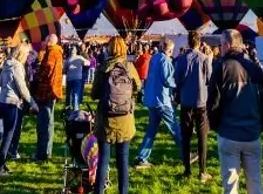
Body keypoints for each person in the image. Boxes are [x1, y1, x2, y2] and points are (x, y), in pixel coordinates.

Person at [207, 29, 263, 194]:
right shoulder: (255, 69)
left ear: (227, 45)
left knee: (230, 185)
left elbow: (213, 103)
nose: (219, 49)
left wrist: (216, 126)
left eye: (221, 45)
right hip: (252, 134)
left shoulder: (221, 68)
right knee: (255, 181)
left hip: (229, 134)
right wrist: (261, 126)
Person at [93, 36, 141, 194]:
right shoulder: (129, 67)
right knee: (123, 161)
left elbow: (94, 93)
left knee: (103, 161)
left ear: (109, 49)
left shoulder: (103, 67)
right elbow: (138, 86)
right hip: (125, 120)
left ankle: (99, 191)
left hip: (106, 120)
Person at [136, 39, 181, 167]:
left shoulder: (154, 58)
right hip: (162, 100)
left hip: (152, 99)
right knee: (174, 127)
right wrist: (177, 83)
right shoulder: (165, 61)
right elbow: (167, 80)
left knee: (151, 130)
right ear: (171, 50)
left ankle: (142, 157)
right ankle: (186, 153)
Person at [174, 30, 212, 182]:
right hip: (201, 101)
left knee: (186, 136)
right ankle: (202, 171)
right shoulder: (203, 59)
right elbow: (209, 78)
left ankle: (187, 170)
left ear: (188, 42)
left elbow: (176, 80)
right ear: (199, 42)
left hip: (186, 102)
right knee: (202, 137)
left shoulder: (181, 60)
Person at [0, 43, 37, 175]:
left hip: (2, 101)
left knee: (7, 134)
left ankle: (3, 163)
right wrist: (33, 103)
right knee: (9, 136)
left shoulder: (7, 64)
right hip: (12, 103)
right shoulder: (18, 66)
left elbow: (0, 82)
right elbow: (22, 88)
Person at [32, 34, 65, 162]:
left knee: (43, 124)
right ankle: (47, 151)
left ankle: (41, 154)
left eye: (46, 40)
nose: (44, 42)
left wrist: (37, 76)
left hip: (46, 92)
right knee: (49, 124)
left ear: (50, 42)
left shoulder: (51, 53)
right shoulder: (58, 52)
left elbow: (47, 69)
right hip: (53, 91)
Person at [65, 45, 88, 112]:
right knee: (71, 95)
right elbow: (64, 70)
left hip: (76, 79)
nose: (72, 50)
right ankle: (70, 111)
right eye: (71, 49)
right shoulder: (68, 59)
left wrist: (85, 63)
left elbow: (88, 63)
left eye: (73, 49)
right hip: (71, 79)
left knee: (73, 95)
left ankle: (74, 111)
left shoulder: (79, 58)